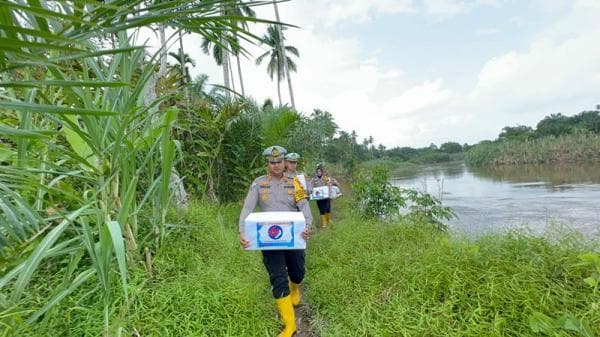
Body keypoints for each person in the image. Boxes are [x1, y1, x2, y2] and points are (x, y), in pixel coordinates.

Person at [239, 146, 312, 337]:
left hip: (294, 237)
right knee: (278, 278)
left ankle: (295, 288)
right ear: (267, 164)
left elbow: (304, 206)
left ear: (284, 162)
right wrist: (242, 232)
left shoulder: (294, 182)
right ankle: (290, 326)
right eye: (272, 162)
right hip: (269, 239)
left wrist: (308, 226)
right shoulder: (259, 183)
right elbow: (247, 208)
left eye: (279, 161)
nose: (276, 165)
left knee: (297, 272)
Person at [311, 162, 338, 228]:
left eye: (320, 171)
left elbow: (334, 183)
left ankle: (329, 220)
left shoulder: (326, 178)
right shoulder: (314, 180)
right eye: (318, 172)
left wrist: (333, 183)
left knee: (327, 208)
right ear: (316, 173)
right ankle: (324, 222)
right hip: (319, 197)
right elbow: (311, 187)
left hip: (326, 196)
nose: (319, 173)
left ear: (322, 172)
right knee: (321, 209)